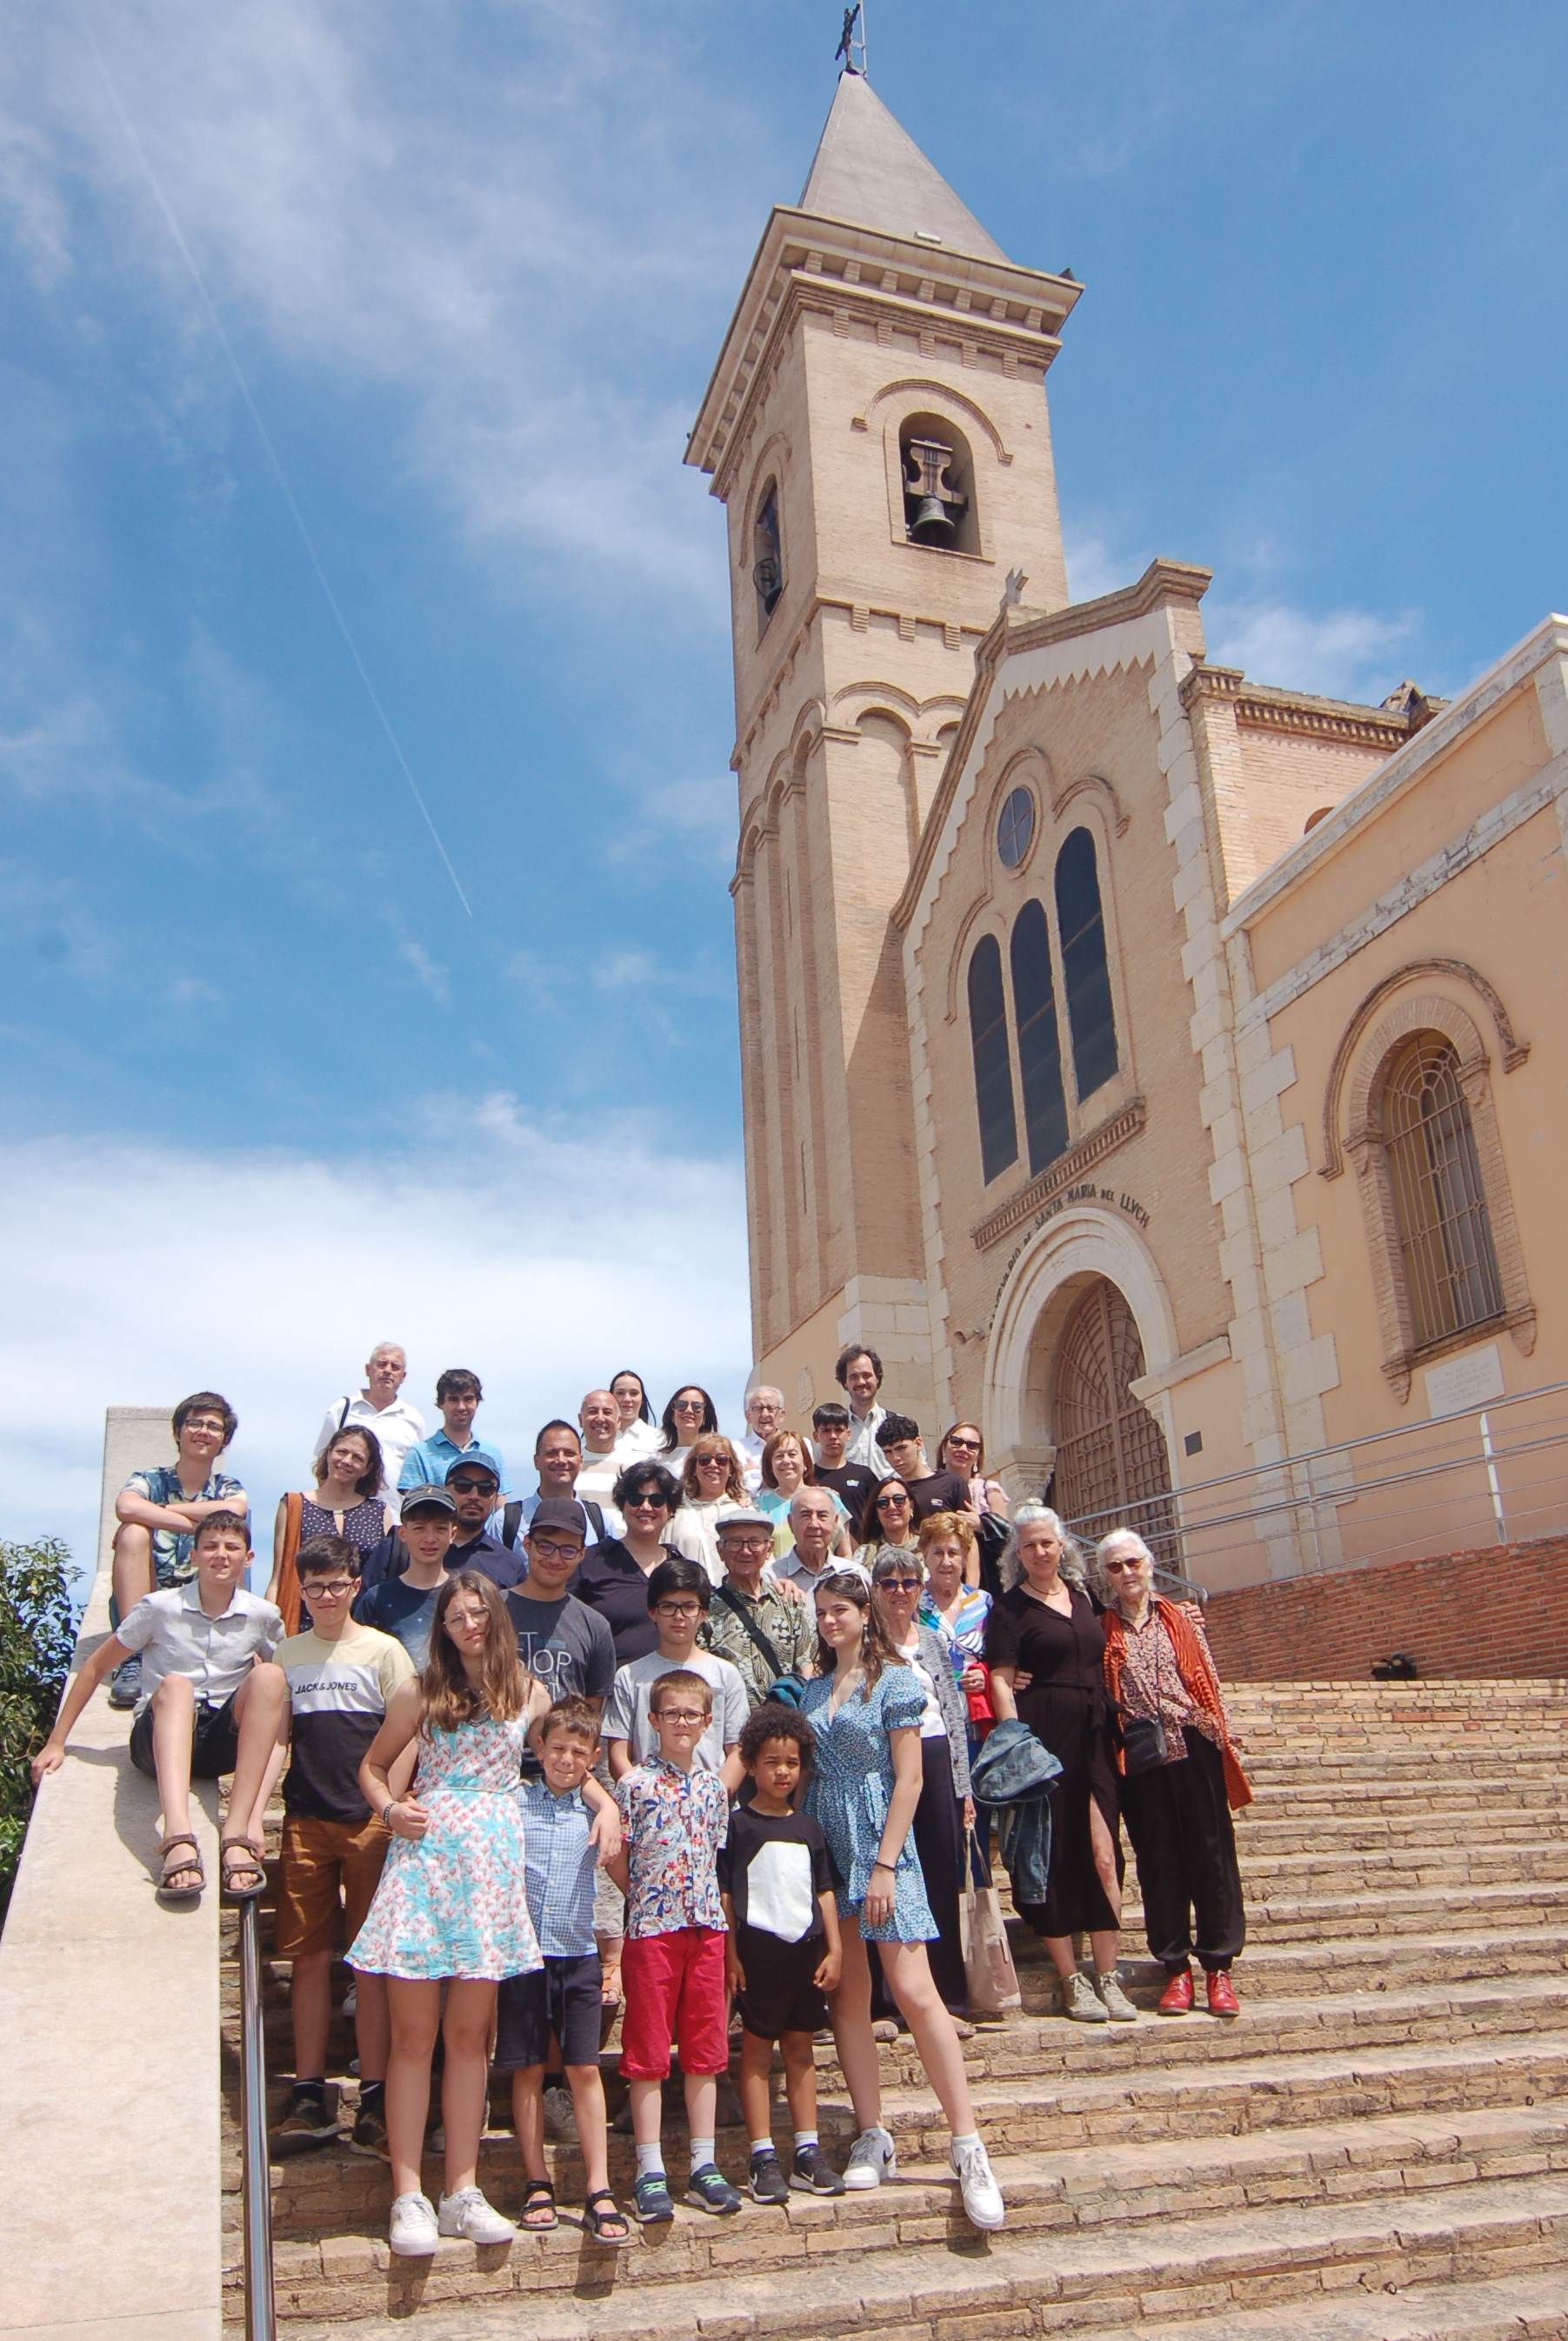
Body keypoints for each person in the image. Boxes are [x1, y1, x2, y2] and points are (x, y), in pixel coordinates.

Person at [349, 1572, 619, 2256]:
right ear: (441, 1625)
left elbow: (567, 1755)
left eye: (480, 1611)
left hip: (492, 1867)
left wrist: (605, 1801)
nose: (469, 1623)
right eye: (456, 1614)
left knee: (471, 2039)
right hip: (428, 1856)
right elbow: (373, 1766)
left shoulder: (529, 1691)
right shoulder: (419, 1689)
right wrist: (389, 1809)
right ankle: (407, 2192)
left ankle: (460, 2189)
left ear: (496, 1618)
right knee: (415, 2038)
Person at [799, 1570, 1004, 2230]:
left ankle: (967, 2141)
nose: (831, 1620)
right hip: (828, 1846)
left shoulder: (893, 1681)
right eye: (822, 1610)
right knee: (849, 1993)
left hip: (881, 1841)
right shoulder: (808, 1686)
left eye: (841, 1610)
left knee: (915, 1990)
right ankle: (870, 2131)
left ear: (866, 1614)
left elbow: (912, 1777)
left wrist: (886, 1863)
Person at [34, 1510, 286, 1903]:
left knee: (272, 1677)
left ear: (248, 1558)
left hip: (219, 1740)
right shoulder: (159, 1607)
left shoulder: (263, 1616)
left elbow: (278, 1711)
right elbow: (97, 1665)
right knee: (176, 1684)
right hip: (160, 1737)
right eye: (210, 1547)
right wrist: (57, 1741)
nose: (221, 1555)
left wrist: (257, 1818)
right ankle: (177, 1836)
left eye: (231, 1547)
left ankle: (235, 1833)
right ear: (194, 1556)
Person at [271, 1535, 415, 2157]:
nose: (327, 1595)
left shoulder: (385, 1651)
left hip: (368, 1821)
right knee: (307, 1958)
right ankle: (309, 2091)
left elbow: (408, 1731)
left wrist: (388, 1803)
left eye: (337, 1584)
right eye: (315, 1586)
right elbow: (278, 1737)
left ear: (356, 1585)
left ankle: (377, 2094)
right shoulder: (285, 1654)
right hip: (305, 1817)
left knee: (372, 1964)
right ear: (301, 1591)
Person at [984, 1506, 1132, 2023]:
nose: (1040, 1552)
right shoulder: (1007, 1610)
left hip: (1094, 1734)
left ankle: (1108, 1976)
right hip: (1042, 1740)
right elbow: (1001, 1680)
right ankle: (1072, 1978)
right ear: (1017, 1554)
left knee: (1103, 1853)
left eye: (1047, 1543)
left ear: (1062, 1546)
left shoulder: (1085, 1598)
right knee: (1049, 1859)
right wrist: (1015, 1744)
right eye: (1029, 1546)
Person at [1096, 1528, 1251, 2019]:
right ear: (1105, 1576)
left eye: (1133, 1563)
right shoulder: (1101, 1630)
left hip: (1194, 1743)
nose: (1127, 1573)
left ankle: (1218, 1969)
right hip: (1143, 1758)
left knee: (1211, 1855)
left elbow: (1207, 1675)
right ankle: (1176, 1969)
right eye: (1116, 1567)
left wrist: (1224, 1732)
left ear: (1150, 1564)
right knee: (1159, 1861)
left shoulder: (1181, 1619)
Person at [607, 1669, 741, 2222]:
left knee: (706, 2049)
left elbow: (715, 1858)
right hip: (652, 1931)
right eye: (672, 1714)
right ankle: (650, 2168)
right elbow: (619, 1856)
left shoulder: (715, 1789)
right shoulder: (634, 1785)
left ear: (708, 1722)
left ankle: (704, 2164)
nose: (682, 1723)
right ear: (653, 1720)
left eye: (693, 1714)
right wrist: (645, 1896)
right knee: (648, 2050)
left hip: (706, 1928)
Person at [497, 1696, 630, 2244]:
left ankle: (599, 2188)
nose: (567, 1760)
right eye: (557, 1749)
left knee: (583, 2069)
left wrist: (616, 1959)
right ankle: (537, 2182)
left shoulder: (595, 1814)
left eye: (579, 1752)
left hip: (578, 1954)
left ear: (593, 1757)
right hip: (524, 1958)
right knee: (528, 2071)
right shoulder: (515, 1804)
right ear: (538, 1749)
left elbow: (622, 1882)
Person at [720, 1704, 844, 2203]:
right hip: (757, 1957)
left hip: (806, 1956)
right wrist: (731, 1955)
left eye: (791, 1763)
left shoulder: (809, 1827)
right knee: (755, 2052)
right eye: (771, 1761)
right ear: (750, 1764)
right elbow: (727, 1894)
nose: (782, 1772)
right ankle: (761, 2154)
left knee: (801, 2049)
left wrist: (835, 1948)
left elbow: (824, 1890)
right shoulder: (737, 1826)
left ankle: (808, 2153)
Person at [572, 1461, 684, 2016]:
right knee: (610, 1841)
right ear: (622, 1503)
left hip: (677, 1723)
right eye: (637, 1498)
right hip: (610, 1715)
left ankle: (659, 1956)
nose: (647, 1507)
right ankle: (611, 1960)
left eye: (658, 1499)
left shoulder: (682, 1568)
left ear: (670, 1508)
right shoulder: (595, 1564)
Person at [869, 1547, 973, 2023]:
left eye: (909, 1583)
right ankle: (889, 2000)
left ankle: (947, 1992)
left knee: (938, 1877)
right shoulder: (867, 1644)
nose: (899, 1592)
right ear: (875, 1590)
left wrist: (963, 1786)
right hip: (885, 1766)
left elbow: (952, 1712)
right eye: (889, 1583)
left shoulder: (932, 1640)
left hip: (934, 1757)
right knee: (890, 1876)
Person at [106, 1392, 248, 1709]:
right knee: (132, 1532)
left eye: (213, 1426)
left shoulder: (227, 1487)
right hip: (148, 1597)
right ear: (177, 1432)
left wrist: (158, 1511)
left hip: (200, 1600)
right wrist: (194, 1525)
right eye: (194, 1422)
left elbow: (236, 1511)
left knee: (226, 1537)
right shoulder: (149, 1479)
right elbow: (126, 1505)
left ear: (223, 1440)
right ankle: (132, 1656)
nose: (202, 1431)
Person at [602, 1557, 747, 1789]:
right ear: (652, 1612)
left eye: (689, 1607)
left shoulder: (726, 1675)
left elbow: (737, 1750)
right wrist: (650, 1797)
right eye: (668, 1606)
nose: (678, 1616)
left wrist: (713, 1800)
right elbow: (618, 1755)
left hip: (710, 1807)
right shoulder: (630, 1676)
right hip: (649, 1803)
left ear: (703, 1614)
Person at [918, 1513, 995, 1880]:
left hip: (976, 1729)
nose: (946, 1561)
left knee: (977, 1822)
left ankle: (979, 1911)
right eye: (937, 1552)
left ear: (965, 1557)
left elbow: (1001, 1658)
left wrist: (986, 1675)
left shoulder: (984, 1604)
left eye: (953, 1552)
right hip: (932, 1731)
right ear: (925, 1556)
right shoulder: (914, 1606)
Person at [270, 1427, 397, 1631]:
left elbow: (387, 1577)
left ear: (367, 1468)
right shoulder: (294, 1505)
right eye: (342, 1452)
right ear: (329, 1453)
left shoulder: (379, 1511)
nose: (347, 1461)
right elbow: (279, 1575)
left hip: (363, 1629)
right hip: (303, 1629)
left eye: (357, 1457)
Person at [504, 1499, 616, 1729]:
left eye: (567, 1550)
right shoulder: (492, 1610)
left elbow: (591, 1715)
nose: (555, 1559)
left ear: (582, 1554)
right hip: (499, 1756)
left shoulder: (595, 1626)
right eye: (545, 1546)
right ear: (527, 1544)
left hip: (563, 1760)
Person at [701, 1508, 817, 1709]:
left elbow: (809, 1665)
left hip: (786, 1728)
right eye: (735, 1542)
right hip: (730, 1729)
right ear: (720, 1550)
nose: (745, 1551)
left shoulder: (790, 1602)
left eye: (754, 1542)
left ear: (769, 1548)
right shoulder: (705, 1611)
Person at [353, 1488, 457, 1666]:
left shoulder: (464, 1594)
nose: (430, 1538)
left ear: (452, 1534)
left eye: (440, 1528)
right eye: (419, 1528)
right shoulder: (377, 1599)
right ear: (402, 1533)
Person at [314, 1347, 426, 1496]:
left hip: (395, 1515)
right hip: (346, 1513)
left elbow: (415, 1474)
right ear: (368, 1369)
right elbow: (322, 1466)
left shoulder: (413, 1419)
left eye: (395, 1367)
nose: (388, 1370)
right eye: (382, 1364)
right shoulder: (343, 1409)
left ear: (403, 1376)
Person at [497, 1421, 611, 1549]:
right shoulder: (506, 1521)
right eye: (552, 1453)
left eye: (569, 1453)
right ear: (537, 1461)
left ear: (581, 1461)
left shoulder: (600, 1522)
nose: (561, 1460)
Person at [397, 1370, 508, 1495]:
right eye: (453, 1399)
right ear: (441, 1403)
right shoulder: (419, 1454)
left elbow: (500, 1506)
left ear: (477, 1402)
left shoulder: (493, 1453)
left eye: (468, 1399)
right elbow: (414, 1508)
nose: (461, 1407)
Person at [934, 1424, 1011, 1589]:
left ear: (979, 1455)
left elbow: (1007, 1535)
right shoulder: (929, 1488)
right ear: (943, 1447)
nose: (963, 1449)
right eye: (956, 1442)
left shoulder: (989, 1491)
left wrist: (982, 1524)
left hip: (985, 1576)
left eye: (972, 1446)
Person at [667, 1435, 748, 1583]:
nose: (713, 1465)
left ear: (731, 1468)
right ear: (693, 1467)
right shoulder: (675, 1514)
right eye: (704, 1460)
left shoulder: (744, 1514)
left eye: (721, 1460)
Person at [757, 1430, 847, 1558]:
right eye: (779, 1456)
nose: (786, 1461)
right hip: (778, 1577)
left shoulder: (828, 1498)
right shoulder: (760, 1506)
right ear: (770, 1465)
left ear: (805, 1461)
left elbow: (846, 1552)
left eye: (792, 1454)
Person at [875, 1417, 968, 1526]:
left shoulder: (952, 1484)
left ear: (918, 1444)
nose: (896, 1457)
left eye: (901, 1448)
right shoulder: (887, 1493)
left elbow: (968, 1535)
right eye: (888, 1452)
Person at [809, 1401, 877, 1522]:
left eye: (838, 1430)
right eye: (826, 1431)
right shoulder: (808, 1477)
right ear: (816, 1436)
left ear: (848, 1434)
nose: (833, 1436)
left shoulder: (864, 1475)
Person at [774, 1486, 845, 1595]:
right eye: (805, 1516)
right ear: (791, 1522)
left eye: (822, 1516)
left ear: (835, 1522)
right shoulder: (771, 1577)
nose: (814, 1525)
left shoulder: (852, 1574)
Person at [835, 1345, 889, 1475]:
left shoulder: (899, 1425)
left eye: (867, 1375)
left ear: (877, 1378)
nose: (861, 1382)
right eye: (853, 1377)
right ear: (845, 1383)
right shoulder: (832, 1433)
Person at [574, 1390, 627, 1521]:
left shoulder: (635, 1465)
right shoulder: (569, 1464)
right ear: (581, 1420)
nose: (600, 1418)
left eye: (607, 1412)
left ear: (619, 1421)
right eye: (592, 1411)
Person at [852, 1475, 919, 1564]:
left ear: (911, 1506)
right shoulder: (864, 1554)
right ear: (876, 1513)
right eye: (883, 1502)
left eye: (899, 1499)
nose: (891, 1507)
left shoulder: (928, 1550)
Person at [733, 1385, 786, 1495]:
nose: (765, 1414)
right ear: (748, 1416)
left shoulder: (799, 1445)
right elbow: (735, 1488)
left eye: (771, 1408)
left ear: (781, 1415)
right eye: (758, 1408)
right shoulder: (735, 1448)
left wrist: (755, 1473)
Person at [656, 1385, 719, 1475]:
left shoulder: (717, 1459)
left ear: (705, 1417)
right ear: (672, 1414)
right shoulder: (658, 1459)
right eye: (681, 1405)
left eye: (697, 1406)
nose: (689, 1410)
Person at [610, 1370, 661, 1458]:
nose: (627, 1399)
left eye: (634, 1393)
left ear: (642, 1400)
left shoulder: (657, 1437)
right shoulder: (596, 1438)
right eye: (620, 1393)